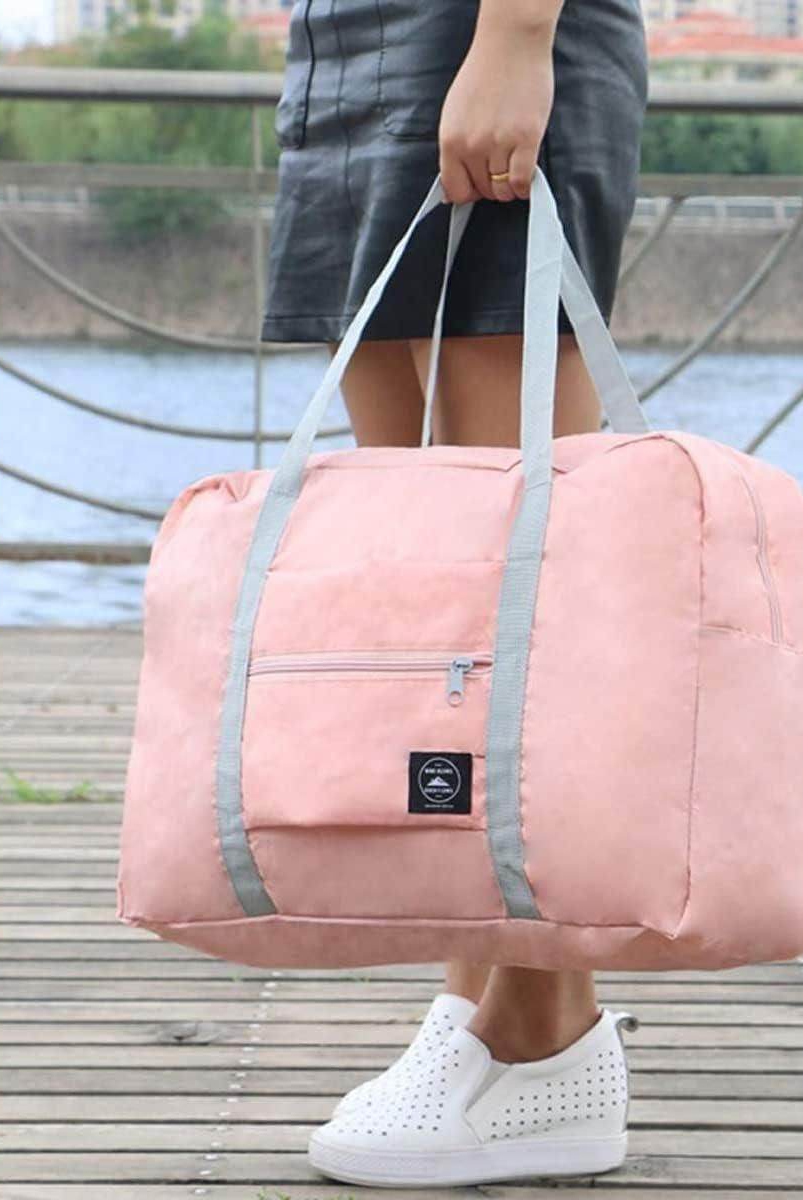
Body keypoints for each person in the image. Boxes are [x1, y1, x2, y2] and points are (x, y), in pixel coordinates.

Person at [262, 0, 649, 1186]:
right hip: (345, 42)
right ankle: (473, 987)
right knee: (428, 606)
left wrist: (519, 34)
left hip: (473, 27)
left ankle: (545, 1027)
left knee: (516, 586)